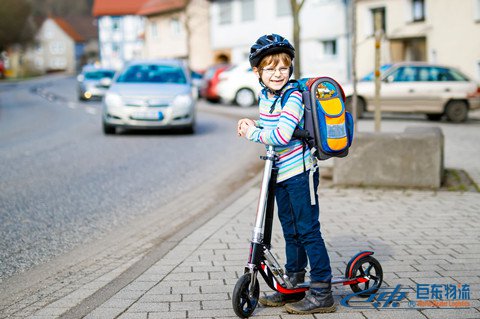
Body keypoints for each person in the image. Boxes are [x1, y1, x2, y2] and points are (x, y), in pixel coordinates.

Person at [237, 34, 336, 315]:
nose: (277, 73)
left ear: (290, 67)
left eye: (283, 67)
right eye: (270, 68)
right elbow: (273, 123)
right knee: (290, 231)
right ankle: (294, 283)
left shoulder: (292, 95)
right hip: (279, 173)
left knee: (307, 231)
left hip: (300, 172)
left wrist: (251, 133)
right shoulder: (266, 95)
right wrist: (253, 122)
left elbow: (281, 134)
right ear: (257, 72)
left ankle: (322, 292)